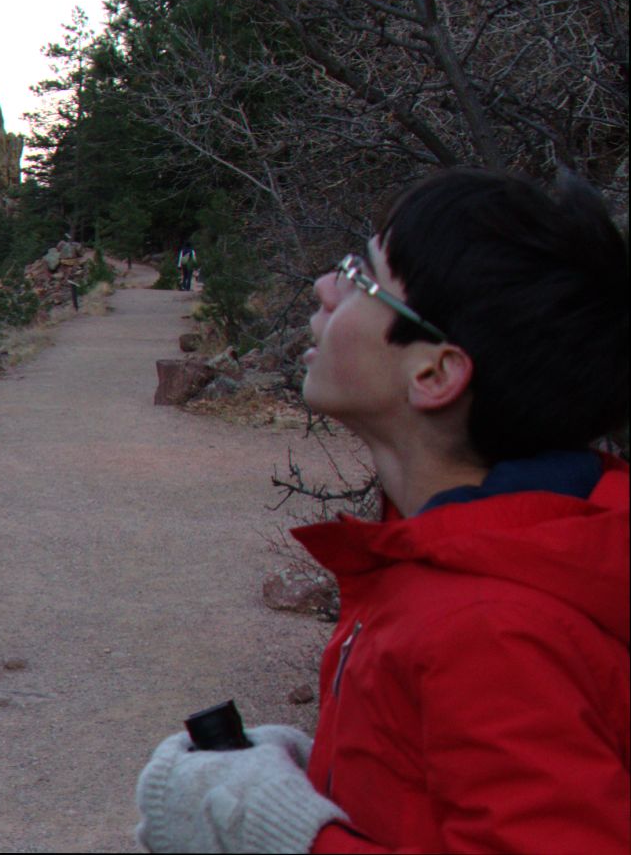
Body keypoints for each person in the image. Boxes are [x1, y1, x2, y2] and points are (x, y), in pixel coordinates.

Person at [134, 168, 629, 854]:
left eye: (361, 277)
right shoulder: (460, 558)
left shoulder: (489, 627)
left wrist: (285, 836)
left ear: (432, 374)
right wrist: (322, 774)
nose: (324, 287)